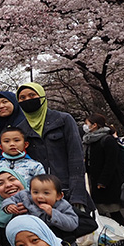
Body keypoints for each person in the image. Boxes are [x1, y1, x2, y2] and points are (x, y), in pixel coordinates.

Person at [15, 82, 92, 210]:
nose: (27, 100)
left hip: (65, 189)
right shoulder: (21, 129)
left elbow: (76, 158)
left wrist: (77, 196)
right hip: (38, 197)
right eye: (22, 98)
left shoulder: (63, 120)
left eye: (32, 95)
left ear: (42, 96)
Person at [2, 174, 79, 235]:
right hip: (28, 233)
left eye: (46, 193)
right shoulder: (25, 196)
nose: (40, 196)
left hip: (55, 238)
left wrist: (53, 213)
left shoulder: (62, 205)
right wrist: (9, 205)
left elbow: (73, 224)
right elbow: (11, 199)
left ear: (59, 196)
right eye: (35, 192)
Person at [82, 113, 124, 216]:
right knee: (100, 211)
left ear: (94, 125)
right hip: (94, 179)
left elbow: (111, 163)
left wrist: (103, 181)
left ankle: (120, 230)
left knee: (113, 210)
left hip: (108, 182)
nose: (85, 126)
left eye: (86, 124)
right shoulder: (90, 140)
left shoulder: (107, 140)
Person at [0, 127, 45, 194]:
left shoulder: (35, 166)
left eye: (16, 140)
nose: (12, 144)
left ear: (25, 144)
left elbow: (42, 186)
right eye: (7, 141)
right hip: (3, 203)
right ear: (1, 147)